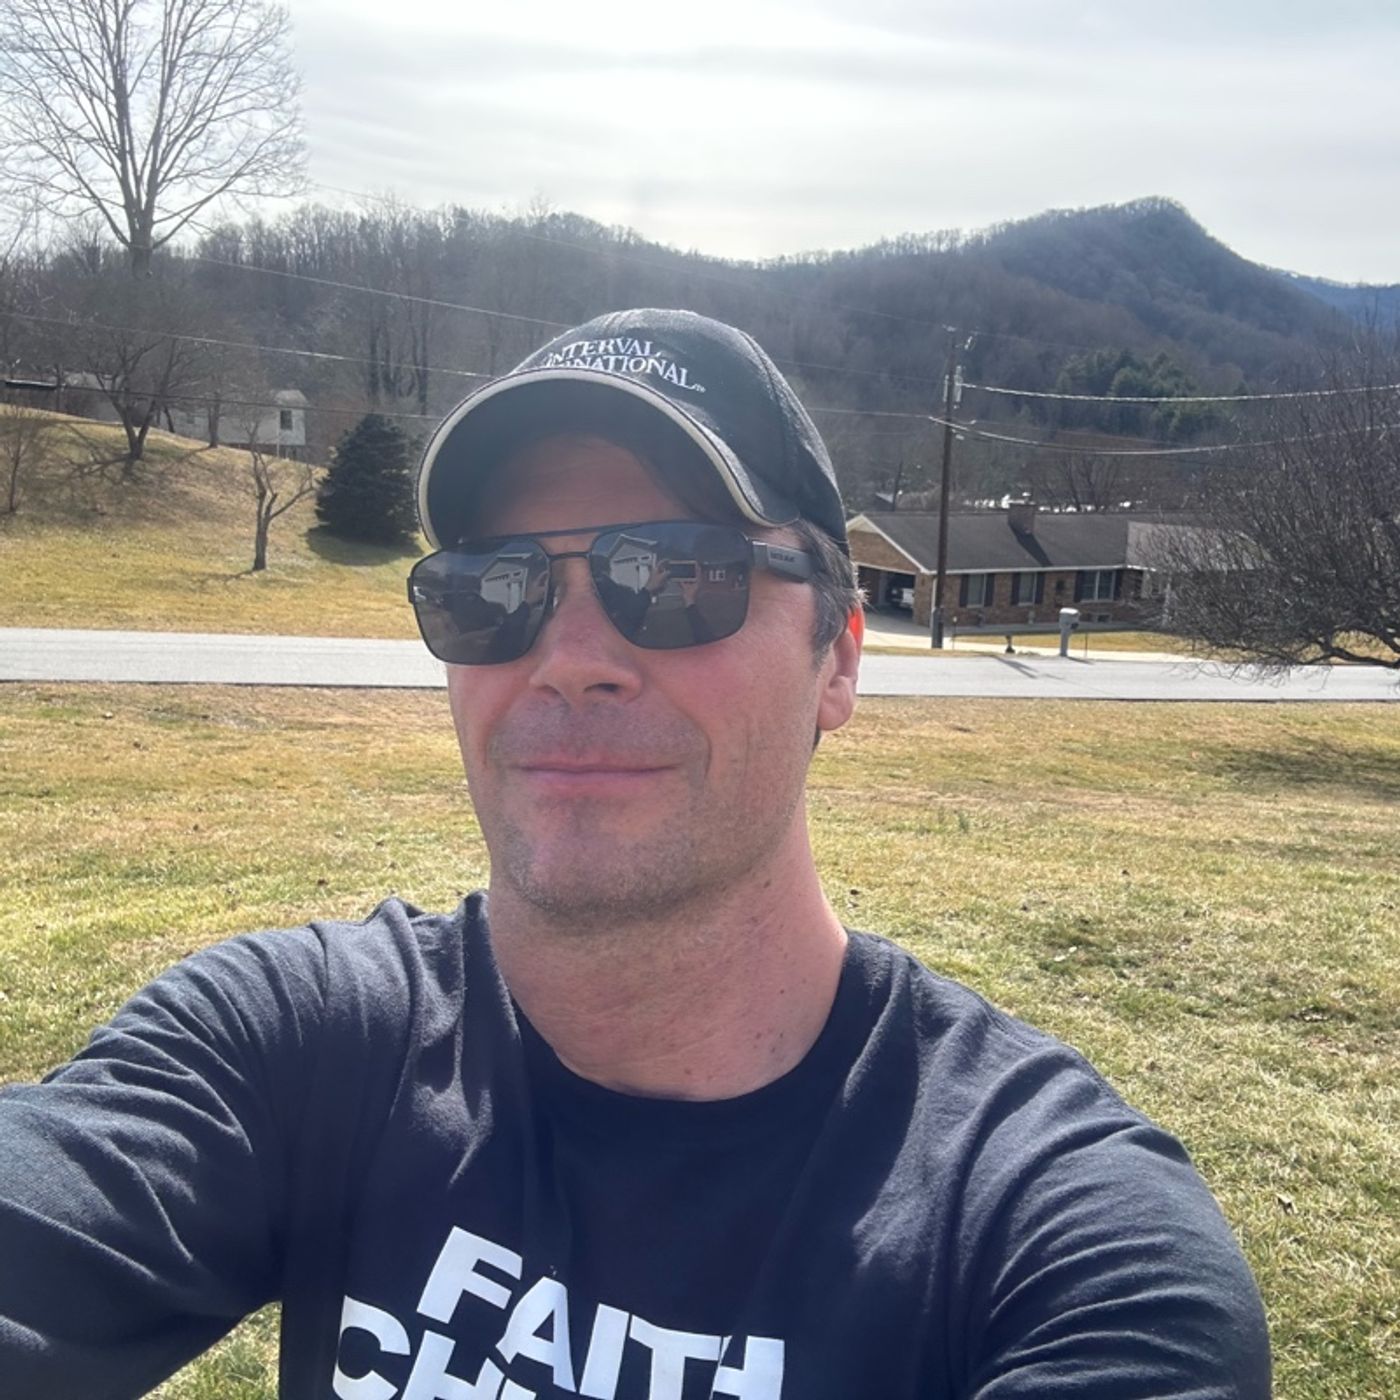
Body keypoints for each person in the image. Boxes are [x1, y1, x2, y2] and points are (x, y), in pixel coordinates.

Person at [0, 309, 1270, 1400]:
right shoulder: (296, 1045)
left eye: (673, 575)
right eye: (492, 586)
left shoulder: (1043, 1235)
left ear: (836, 657)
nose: (567, 660)